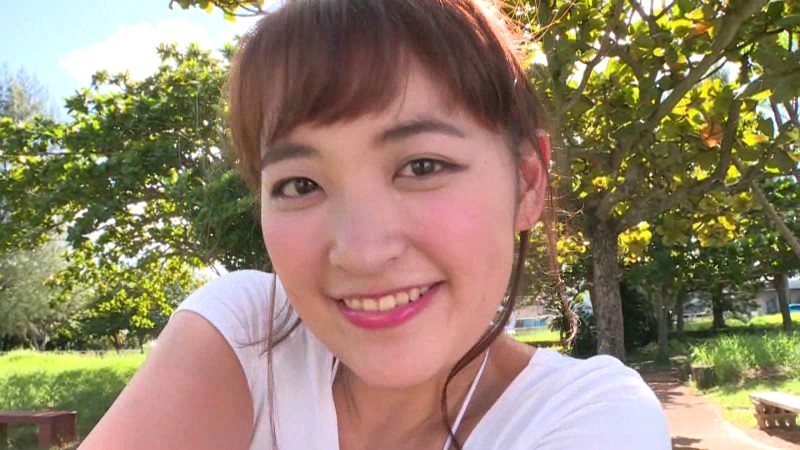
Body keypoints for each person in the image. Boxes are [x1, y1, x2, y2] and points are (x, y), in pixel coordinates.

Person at [79, 1, 670, 449]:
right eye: (300, 184)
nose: (361, 252)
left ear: (528, 182)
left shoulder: (589, 418)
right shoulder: (246, 339)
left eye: (422, 166)